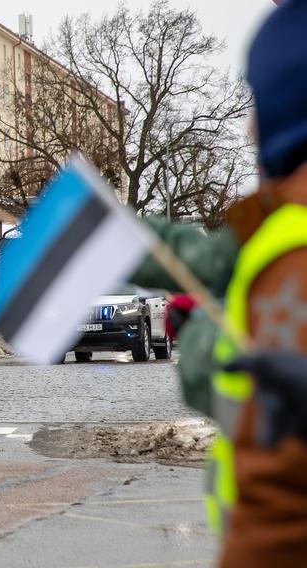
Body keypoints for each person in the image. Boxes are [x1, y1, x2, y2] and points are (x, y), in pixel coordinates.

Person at [130, 2, 307, 564]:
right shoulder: (272, 228)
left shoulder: (292, 252)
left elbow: (276, 499)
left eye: (260, 102)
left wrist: (206, 339)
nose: (250, 127)